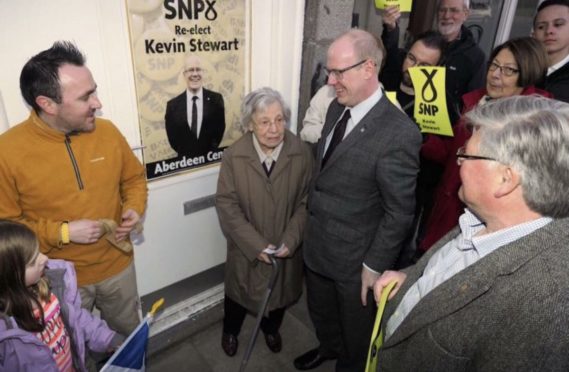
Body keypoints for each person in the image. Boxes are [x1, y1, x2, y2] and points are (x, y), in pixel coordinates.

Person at [373, 95, 569, 371]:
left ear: (506, 180)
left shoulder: (541, 307)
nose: (459, 161)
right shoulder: (488, 218)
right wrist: (413, 278)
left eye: (467, 154)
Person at [0, 41, 148, 336]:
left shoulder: (107, 131)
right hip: (53, 280)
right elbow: (7, 227)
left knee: (128, 340)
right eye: (86, 97)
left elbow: (133, 179)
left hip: (117, 268)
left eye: (94, 90)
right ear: (47, 104)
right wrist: (63, 232)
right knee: (75, 353)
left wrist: (133, 208)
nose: (97, 103)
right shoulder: (7, 151)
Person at [294, 29, 421, 371]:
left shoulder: (399, 133)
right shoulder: (337, 108)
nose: (331, 80)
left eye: (339, 72)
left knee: (356, 340)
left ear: (368, 68)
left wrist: (373, 265)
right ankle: (328, 347)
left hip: (356, 264)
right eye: (330, 71)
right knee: (322, 314)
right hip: (318, 246)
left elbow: (399, 212)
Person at [419, 37, 552, 254]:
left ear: (526, 74)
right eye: (495, 65)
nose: (496, 75)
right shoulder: (473, 103)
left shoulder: (534, 123)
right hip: (448, 209)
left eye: (508, 70)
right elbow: (448, 153)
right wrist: (423, 137)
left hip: (488, 222)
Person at [215, 87, 313, 357]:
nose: (274, 129)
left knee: (278, 296)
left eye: (279, 119)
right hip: (247, 248)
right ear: (250, 125)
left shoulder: (301, 153)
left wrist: (290, 240)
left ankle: (271, 329)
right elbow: (226, 204)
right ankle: (230, 332)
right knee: (238, 296)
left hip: (285, 247)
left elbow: (307, 202)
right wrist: (256, 244)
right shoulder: (234, 156)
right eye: (265, 121)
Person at [0, 220, 124, 372]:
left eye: (39, 251)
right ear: (9, 275)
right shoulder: (5, 331)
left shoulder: (51, 288)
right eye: (33, 261)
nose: (44, 258)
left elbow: (77, 318)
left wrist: (107, 338)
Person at [379, 30, 449, 268]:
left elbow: (440, 158)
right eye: (412, 59)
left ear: (436, 70)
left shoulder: (439, 104)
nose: (413, 68)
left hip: (405, 196)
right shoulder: (385, 81)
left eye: (424, 65)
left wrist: (418, 136)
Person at [381, 0, 486, 113]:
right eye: (442, 10)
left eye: (454, 10)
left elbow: (473, 105)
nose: (446, 16)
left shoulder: (475, 57)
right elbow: (392, 63)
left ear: (466, 14)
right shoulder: (422, 39)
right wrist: (391, 30)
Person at [165, 54, 226, 157]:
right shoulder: (172, 106)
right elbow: (173, 140)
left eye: (198, 69)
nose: (195, 74)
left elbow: (219, 132)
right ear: (184, 74)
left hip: (209, 160)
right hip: (185, 163)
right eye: (190, 70)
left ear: (203, 73)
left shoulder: (216, 100)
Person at [533, 0, 569, 103]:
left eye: (558, 24)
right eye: (541, 27)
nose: (549, 31)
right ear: (533, 34)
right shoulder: (524, 69)